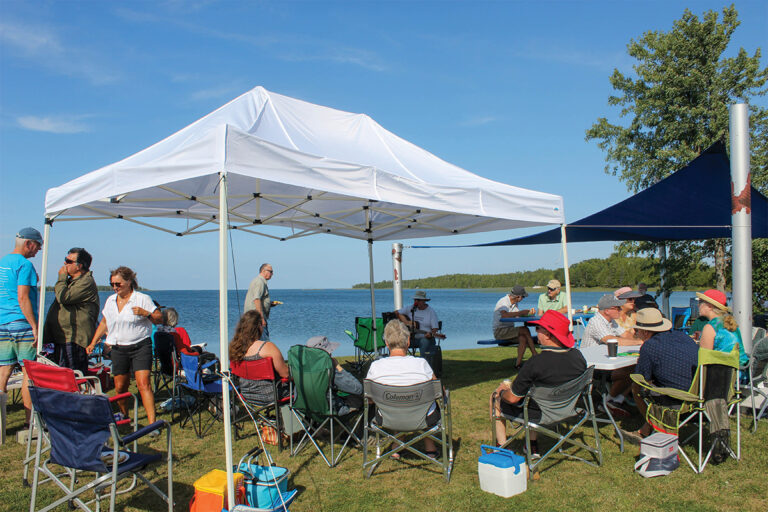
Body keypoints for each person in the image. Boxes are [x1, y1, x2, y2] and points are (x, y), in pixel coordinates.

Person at [490, 310, 586, 455]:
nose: (535, 332)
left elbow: (512, 398)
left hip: (540, 414)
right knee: (533, 397)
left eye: (538, 329)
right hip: (569, 410)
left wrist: (502, 391)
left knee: (495, 397)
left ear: (548, 334)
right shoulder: (578, 357)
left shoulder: (535, 363)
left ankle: (502, 447)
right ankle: (531, 445)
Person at [86, 266, 162, 428]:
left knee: (143, 384)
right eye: (112, 284)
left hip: (141, 346)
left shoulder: (142, 298)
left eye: (118, 284)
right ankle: (124, 416)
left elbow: (159, 318)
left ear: (129, 282)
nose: (115, 287)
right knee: (120, 387)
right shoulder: (110, 301)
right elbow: (104, 323)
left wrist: (146, 313)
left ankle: (152, 424)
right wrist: (93, 342)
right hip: (119, 348)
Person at [366, 319, 440, 458]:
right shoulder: (421, 364)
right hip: (422, 417)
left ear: (387, 344)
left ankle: (397, 445)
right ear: (408, 342)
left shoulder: (376, 366)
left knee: (396, 403)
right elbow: (437, 392)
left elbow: (369, 399)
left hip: (388, 417)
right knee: (425, 403)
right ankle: (430, 448)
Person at [624, 308, 699, 442]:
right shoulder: (683, 337)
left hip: (675, 399)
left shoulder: (650, 346)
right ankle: (646, 429)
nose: (637, 333)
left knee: (636, 388)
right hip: (698, 394)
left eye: (637, 330)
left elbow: (642, 378)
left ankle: (650, 427)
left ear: (645, 332)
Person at [0, 227, 43, 424]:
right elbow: (23, 296)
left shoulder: (3, 263)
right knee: (28, 371)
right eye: (38, 246)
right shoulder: (24, 265)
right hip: (22, 323)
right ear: (28, 244)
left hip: (3, 323)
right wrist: (34, 325)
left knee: (3, 371)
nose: (39, 250)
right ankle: (30, 421)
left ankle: (1, 422)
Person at [43, 248, 100, 374]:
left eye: (68, 261)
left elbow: (63, 297)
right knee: (60, 376)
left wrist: (61, 278)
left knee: (72, 376)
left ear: (79, 266)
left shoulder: (86, 282)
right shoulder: (72, 282)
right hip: (62, 338)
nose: (65, 264)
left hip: (74, 339)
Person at [581, 294, 638, 416]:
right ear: (607, 310)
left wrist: (637, 341)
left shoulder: (611, 322)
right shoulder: (596, 322)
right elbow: (612, 340)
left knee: (637, 368)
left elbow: (626, 335)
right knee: (627, 372)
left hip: (606, 361)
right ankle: (607, 401)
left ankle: (617, 399)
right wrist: (640, 342)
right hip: (593, 366)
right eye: (617, 308)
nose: (620, 309)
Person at [229, 310, 290, 404]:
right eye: (262, 324)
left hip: (246, 394)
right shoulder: (268, 347)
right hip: (271, 395)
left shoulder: (235, 348)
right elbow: (285, 374)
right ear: (258, 326)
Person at [305, 335, 363, 415]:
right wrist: (338, 367)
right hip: (330, 409)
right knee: (364, 399)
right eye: (330, 352)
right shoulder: (328, 370)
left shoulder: (300, 368)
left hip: (306, 407)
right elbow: (358, 388)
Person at [696, 289, 748, 367]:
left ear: (709, 306)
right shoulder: (729, 322)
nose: (697, 305)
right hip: (740, 371)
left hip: (724, 374)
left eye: (700, 302)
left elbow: (704, 359)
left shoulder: (710, 327)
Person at [492, 285, 538, 369]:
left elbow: (517, 316)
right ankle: (535, 354)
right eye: (523, 297)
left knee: (523, 338)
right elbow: (504, 315)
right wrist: (521, 312)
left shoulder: (514, 303)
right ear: (518, 296)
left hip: (508, 331)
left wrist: (528, 314)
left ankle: (518, 365)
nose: (523, 299)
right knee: (524, 329)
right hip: (500, 331)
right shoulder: (503, 302)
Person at [396, 290, 441, 357]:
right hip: (412, 339)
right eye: (415, 300)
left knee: (423, 341)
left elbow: (435, 328)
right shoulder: (411, 308)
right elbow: (397, 313)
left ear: (424, 301)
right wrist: (406, 322)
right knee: (400, 342)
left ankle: (423, 362)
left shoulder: (431, 312)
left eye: (418, 300)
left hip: (427, 339)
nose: (416, 302)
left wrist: (430, 334)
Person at [244, 263, 278, 340]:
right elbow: (256, 299)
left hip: (253, 317)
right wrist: (261, 318)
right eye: (270, 271)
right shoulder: (259, 282)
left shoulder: (259, 281)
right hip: (256, 318)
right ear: (263, 271)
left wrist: (269, 304)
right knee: (263, 343)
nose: (272, 274)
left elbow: (258, 299)